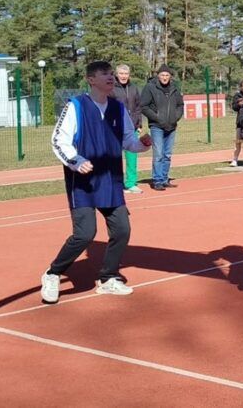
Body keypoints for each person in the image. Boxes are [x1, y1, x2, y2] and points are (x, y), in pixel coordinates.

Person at [41, 60, 153, 304]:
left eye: (112, 73)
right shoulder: (76, 106)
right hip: (83, 181)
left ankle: (109, 277)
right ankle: (53, 273)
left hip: (111, 180)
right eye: (105, 74)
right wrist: (75, 160)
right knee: (85, 234)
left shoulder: (117, 107)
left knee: (122, 229)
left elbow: (127, 142)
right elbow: (59, 140)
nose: (111, 77)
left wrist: (141, 144)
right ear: (91, 79)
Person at [140, 64, 183, 191]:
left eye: (167, 75)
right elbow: (144, 106)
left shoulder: (174, 88)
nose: (165, 77)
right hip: (157, 126)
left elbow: (180, 105)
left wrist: (176, 117)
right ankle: (157, 180)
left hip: (172, 125)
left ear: (170, 76)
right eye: (162, 75)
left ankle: (164, 179)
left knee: (167, 154)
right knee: (158, 154)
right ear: (158, 76)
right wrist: (157, 118)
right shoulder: (150, 87)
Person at [111, 63, 143, 194]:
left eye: (126, 74)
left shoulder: (134, 88)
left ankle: (130, 183)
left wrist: (139, 123)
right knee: (114, 157)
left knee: (132, 157)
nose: (123, 76)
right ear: (117, 74)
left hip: (132, 128)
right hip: (115, 128)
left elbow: (138, 107)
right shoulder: (111, 88)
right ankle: (116, 184)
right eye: (121, 73)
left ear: (129, 75)